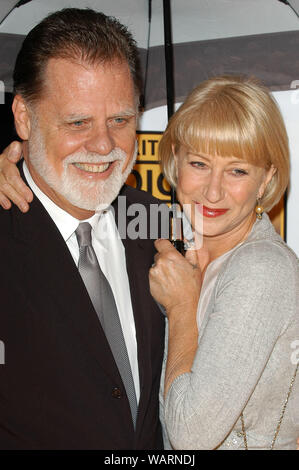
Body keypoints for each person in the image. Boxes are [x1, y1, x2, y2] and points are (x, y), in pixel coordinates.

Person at [0, 8, 165, 449]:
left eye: (120, 120)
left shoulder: (165, 226)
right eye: (78, 122)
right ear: (24, 117)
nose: (104, 146)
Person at [148, 76, 299, 450]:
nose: (213, 191)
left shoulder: (261, 268)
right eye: (199, 163)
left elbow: (191, 438)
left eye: (238, 171)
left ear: (266, 180)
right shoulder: (178, 247)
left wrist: (182, 308)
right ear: (174, 162)